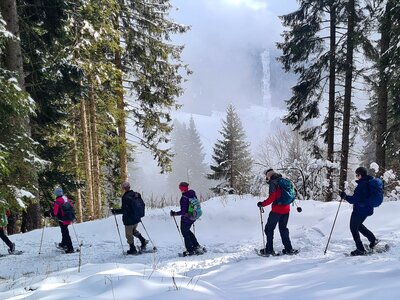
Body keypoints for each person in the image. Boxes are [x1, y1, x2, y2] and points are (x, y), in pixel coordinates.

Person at [340, 167, 379, 256]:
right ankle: (373, 239)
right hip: (367, 209)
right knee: (358, 226)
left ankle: (360, 249)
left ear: (360, 175)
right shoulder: (368, 182)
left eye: (357, 175)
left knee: (353, 227)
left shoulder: (362, 185)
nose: (356, 177)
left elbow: (355, 199)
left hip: (360, 210)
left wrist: (345, 197)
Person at [257, 169, 297, 256]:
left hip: (276, 210)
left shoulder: (273, 183)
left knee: (269, 229)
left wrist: (262, 204)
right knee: (283, 229)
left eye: (267, 177)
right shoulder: (284, 180)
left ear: (269, 176)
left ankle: (269, 250)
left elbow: (272, 197)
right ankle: (289, 249)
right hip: (286, 210)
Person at [111, 182, 148, 255]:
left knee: (128, 235)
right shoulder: (136, 194)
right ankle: (143, 241)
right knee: (133, 231)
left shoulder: (126, 197)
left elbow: (125, 210)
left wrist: (115, 211)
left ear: (124, 188)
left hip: (129, 219)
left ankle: (132, 249)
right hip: (137, 218)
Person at [170, 182, 203, 256]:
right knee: (187, 231)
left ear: (182, 189)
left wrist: (174, 213)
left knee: (185, 233)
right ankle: (196, 246)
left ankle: (190, 250)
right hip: (193, 216)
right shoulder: (192, 194)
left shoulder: (184, 198)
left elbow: (183, 211)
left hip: (186, 219)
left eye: (180, 188)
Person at [53, 187, 74, 253]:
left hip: (62, 219)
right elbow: (72, 206)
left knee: (65, 233)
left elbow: (55, 213)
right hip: (69, 218)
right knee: (64, 231)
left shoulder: (57, 201)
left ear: (56, 194)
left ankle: (70, 248)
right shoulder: (66, 198)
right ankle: (63, 244)